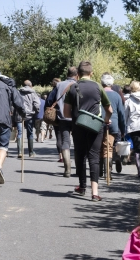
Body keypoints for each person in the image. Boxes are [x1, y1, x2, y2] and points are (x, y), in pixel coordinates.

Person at [64, 61, 112, 201]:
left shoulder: (72, 87)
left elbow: (66, 113)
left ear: (77, 74)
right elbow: (109, 109)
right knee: (94, 156)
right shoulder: (98, 86)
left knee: (80, 155)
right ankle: (95, 192)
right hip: (96, 126)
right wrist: (106, 119)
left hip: (78, 125)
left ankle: (82, 186)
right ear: (91, 73)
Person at [47, 67, 78, 177]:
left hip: (62, 117)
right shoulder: (78, 84)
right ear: (77, 75)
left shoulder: (59, 85)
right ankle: (79, 169)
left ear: (67, 74)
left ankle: (67, 169)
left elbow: (50, 100)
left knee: (65, 142)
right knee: (78, 142)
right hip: (76, 118)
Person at [99, 72, 126, 179]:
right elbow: (121, 114)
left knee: (99, 148)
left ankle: (100, 170)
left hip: (98, 123)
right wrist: (123, 129)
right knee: (108, 148)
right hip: (113, 124)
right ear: (112, 83)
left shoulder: (98, 94)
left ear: (101, 83)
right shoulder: (117, 96)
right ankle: (108, 173)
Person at [17, 81, 40, 158]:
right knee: (30, 133)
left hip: (19, 114)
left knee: (20, 132)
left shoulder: (18, 92)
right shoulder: (33, 93)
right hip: (29, 115)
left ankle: (20, 152)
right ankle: (31, 152)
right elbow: (37, 104)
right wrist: (36, 111)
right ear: (31, 86)